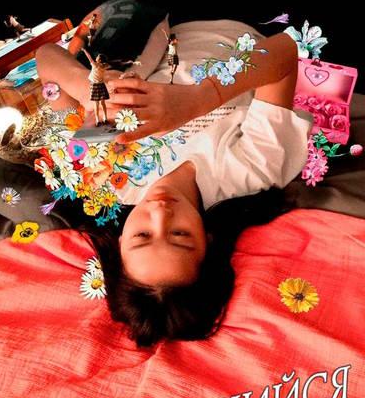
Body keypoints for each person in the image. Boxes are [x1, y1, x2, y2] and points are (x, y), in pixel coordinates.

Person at [76, 32, 312, 347]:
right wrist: (199, 99)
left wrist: (91, 89)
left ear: (119, 243)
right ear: (207, 241)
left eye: (142, 235)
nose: (161, 213)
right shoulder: (250, 175)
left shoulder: (105, 178)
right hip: (236, 28)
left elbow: (47, 57)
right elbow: (283, 50)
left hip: (151, 30)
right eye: (180, 235)